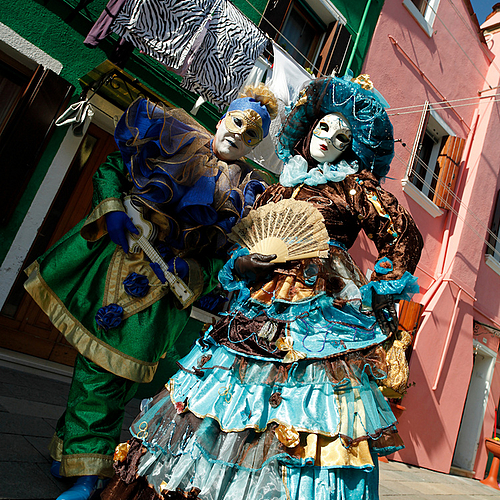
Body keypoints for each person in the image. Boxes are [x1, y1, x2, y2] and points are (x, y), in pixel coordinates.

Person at [100, 75, 423, 500]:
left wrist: (381, 285)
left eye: (341, 138)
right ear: (309, 128)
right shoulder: (273, 191)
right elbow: (242, 242)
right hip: (258, 301)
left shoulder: (353, 187)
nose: (328, 139)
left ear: (351, 148)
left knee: (310, 397)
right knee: (228, 391)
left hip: (319, 308)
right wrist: (244, 263)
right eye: (324, 127)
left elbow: (404, 237)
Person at [23, 84, 278, 500]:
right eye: (236, 122)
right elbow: (111, 168)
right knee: (100, 374)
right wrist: (113, 210)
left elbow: (225, 259)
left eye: (251, 134)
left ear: (254, 146)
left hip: (165, 296)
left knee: (118, 379)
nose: (238, 134)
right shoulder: (173, 138)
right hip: (119, 263)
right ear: (222, 118)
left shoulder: (247, 196)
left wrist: (203, 268)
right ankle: (87, 474)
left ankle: (68, 451)